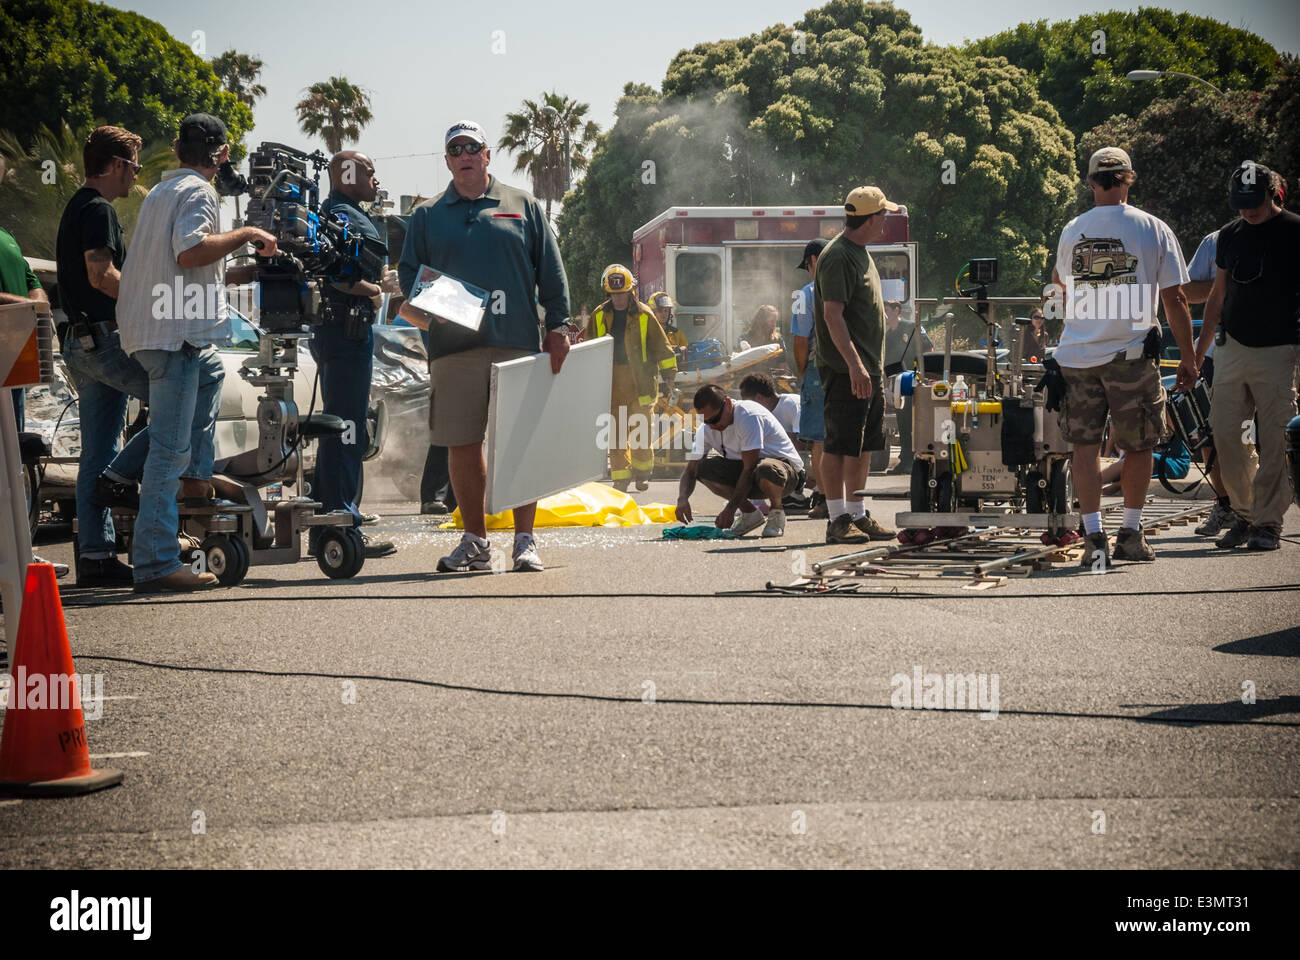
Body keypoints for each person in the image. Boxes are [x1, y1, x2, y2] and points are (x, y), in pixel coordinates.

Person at [397, 120, 570, 573]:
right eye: (456, 149)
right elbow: (408, 275)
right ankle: (474, 542)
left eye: (472, 146)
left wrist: (558, 325)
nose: (465, 154)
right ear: (448, 160)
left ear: (487, 154)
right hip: (454, 348)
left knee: (519, 443)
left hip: (516, 342)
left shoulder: (523, 205)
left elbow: (550, 272)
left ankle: (525, 541)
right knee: (462, 443)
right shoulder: (428, 215)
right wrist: (444, 305)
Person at [116, 114, 278, 593]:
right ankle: (157, 562)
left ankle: (194, 478)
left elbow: (176, 266)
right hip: (173, 339)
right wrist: (248, 233)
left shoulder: (160, 193)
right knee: (168, 450)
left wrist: (228, 272)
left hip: (156, 334)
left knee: (209, 375)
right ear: (222, 154)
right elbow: (190, 251)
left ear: (175, 147)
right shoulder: (199, 191)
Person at [1046, 147, 1195, 567]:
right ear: (1130, 178)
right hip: (1130, 356)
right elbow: (1175, 297)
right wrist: (1188, 356)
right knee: (1139, 445)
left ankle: (1094, 537)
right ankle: (1130, 531)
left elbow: (1059, 281)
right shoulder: (1153, 228)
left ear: (1091, 182)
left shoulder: (1073, 229)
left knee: (1084, 447)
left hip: (1076, 357)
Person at [54, 125, 154, 586]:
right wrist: (150, 306)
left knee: (96, 447)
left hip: (80, 343)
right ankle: (119, 478)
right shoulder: (98, 209)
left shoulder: (77, 206)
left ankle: (95, 557)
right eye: (133, 166)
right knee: (179, 401)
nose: (135, 175)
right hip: (106, 339)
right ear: (116, 165)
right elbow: (101, 274)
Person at [1196, 162, 1299, 552]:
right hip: (1232, 347)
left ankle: (1267, 523)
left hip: (1281, 348)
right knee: (1227, 435)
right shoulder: (1229, 235)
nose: (1247, 210)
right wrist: (1196, 353)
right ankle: (1246, 512)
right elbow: (1217, 296)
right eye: (1240, 203)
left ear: (1273, 193)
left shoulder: (1294, 230)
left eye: (1253, 203)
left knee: (1274, 439)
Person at [308, 150, 399, 559]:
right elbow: (338, 272)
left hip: (342, 333)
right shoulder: (340, 215)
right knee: (346, 429)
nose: (375, 179)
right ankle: (341, 522)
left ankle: (337, 519)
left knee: (342, 427)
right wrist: (376, 290)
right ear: (347, 175)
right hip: (345, 334)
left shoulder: (334, 213)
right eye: (369, 171)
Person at [813, 186, 898, 544]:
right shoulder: (838, 256)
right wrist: (854, 366)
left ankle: (858, 514)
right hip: (847, 370)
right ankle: (837, 519)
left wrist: (868, 368)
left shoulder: (861, 252)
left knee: (863, 446)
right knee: (838, 445)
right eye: (883, 215)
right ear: (871, 217)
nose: (886, 221)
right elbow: (833, 316)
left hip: (868, 369)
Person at [0, 226, 66, 578]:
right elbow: (29, 298)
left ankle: (20, 551)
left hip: (14, 365)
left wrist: (35, 303)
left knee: (14, 464)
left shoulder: (8, 236)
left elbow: (29, 279)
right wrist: (29, 306)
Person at [585, 264, 677, 492]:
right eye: (614, 294)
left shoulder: (645, 314)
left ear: (630, 291)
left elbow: (661, 346)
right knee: (615, 433)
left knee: (640, 430)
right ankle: (620, 479)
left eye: (622, 293)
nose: (618, 298)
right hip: (611, 381)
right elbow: (588, 348)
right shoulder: (598, 315)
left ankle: (643, 474)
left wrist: (670, 374)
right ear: (608, 293)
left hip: (641, 381)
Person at [676, 384, 803, 539]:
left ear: (728, 404)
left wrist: (730, 509)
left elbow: (749, 468)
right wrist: (682, 498)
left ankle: (776, 514)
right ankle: (750, 514)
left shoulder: (748, 416)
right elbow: (690, 470)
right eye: (706, 421)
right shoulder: (707, 428)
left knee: (765, 469)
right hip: (750, 473)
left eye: (715, 419)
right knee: (702, 468)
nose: (712, 426)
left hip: (784, 476)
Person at [1182, 228, 1235, 536]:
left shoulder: (1283, 233)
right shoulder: (1216, 240)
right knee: (1207, 432)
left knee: (1258, 433)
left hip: (1270, 348)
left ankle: (1257, 511)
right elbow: (1187, 290)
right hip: (1217, 351)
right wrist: (1224, 282)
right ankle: (1225, 503)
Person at [791, 237, 828, 517]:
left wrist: (803, 370)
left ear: (813, 261)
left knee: (819, 438)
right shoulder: (851, 288)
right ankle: (846, 501)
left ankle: (824, 496)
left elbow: (800, 341)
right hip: (850, 370)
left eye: (806, 266)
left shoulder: (805, 294)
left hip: (818, 370)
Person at [882, 298, 932, 475]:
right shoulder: (888, 336)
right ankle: (905, 460)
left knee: (914, 423)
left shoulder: (912, 327)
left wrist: (923, 376)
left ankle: (915, 461)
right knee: (903, 424)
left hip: (916, 382)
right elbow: (887, 364)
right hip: (898, 385)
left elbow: (928, 351)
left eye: (887, 309)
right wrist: (887, 387)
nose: (885, 313)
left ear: (897, 310)